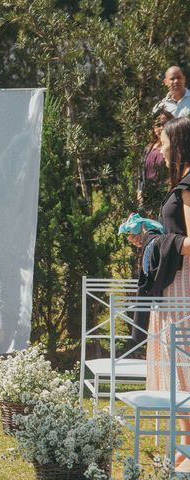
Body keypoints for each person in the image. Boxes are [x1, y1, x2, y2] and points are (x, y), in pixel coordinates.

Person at [144, 116, 190, 470]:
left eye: (163, 142)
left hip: (183, 289)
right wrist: (150, 238)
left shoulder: (189, 184)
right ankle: (183, 451)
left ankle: (185, 455)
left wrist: (161, 243)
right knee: (180, 369)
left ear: (180, 143)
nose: (159, 148)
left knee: (184, 368)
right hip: (174, 285)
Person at [137, 110, 173, 216]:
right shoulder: (149, 147)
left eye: (164, 124)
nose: (161, 128)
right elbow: (141, 172)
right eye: (157, 125)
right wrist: (139, 191)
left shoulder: (173, 146)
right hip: (147, 197)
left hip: (165, 196)